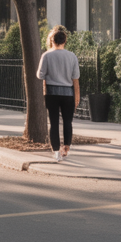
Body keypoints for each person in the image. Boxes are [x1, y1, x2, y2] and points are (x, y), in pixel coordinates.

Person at [36, 27, 80, 162]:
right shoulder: (72, 56)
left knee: (53, 123)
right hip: (68, 93)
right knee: (68, 121)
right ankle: (66, 148)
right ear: (65, 41)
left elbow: (40, 75)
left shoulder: (47, 56)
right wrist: (77, 96)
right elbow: (75, 78)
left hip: (51, 93)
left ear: (51, 40)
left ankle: (55, 151)